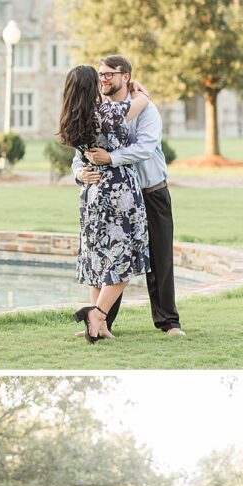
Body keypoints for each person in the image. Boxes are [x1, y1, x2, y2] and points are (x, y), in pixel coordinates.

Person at [73, 55, 185, 336]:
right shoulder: (99, 110)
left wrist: (110, 158)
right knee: (114, 257)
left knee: (159, 259)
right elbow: (80, 154)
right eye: (101, 74)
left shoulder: (147, 110)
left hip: (151, 192)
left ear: (126, 77)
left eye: (111, 73)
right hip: (115, 196)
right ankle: (101, 322)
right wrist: (80, 173)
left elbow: (144, 149)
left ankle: (168, 322)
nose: (104, 79)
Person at [59, 64, 151, 343]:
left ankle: (97, 328)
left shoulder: (71, 119)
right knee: (126, 257)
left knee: (97, 258)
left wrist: (80, 173)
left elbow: (79, 156)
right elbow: (142, 103)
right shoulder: (105, 114)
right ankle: (97, 314)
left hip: (91, 192)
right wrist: (137, 89)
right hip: (118, 190)